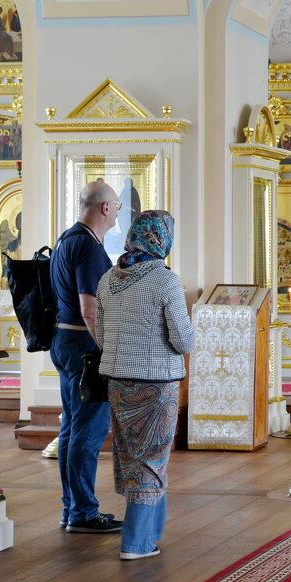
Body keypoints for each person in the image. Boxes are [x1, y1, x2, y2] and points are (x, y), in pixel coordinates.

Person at [96, 211, 195, 561]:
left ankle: (150, 535)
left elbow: (102, 336)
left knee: (132, 457)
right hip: (157, 385)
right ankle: (135, 543)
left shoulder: (108, 278)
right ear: (162, 238)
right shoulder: (165, 280)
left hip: (118, 380)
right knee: (151, 459)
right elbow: (183, 341)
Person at [48, 180, 122, 534]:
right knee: (89, 432)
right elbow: (90, 310)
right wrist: (110, 352)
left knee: (72, 428)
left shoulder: (66, 239)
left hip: (64, 342)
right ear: (105, 207)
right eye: (118, 207)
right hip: (85, 348)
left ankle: (71, 509)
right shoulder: (90, 248)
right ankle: (82, 513)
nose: (118, 213)